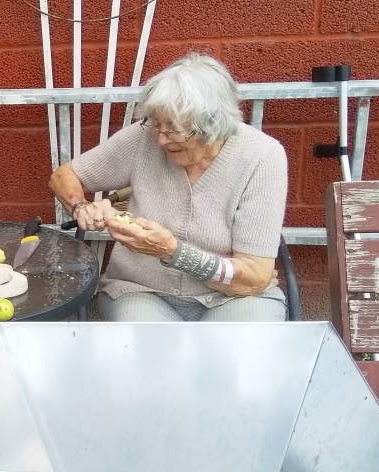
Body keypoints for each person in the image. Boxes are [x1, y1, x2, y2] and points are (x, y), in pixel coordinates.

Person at [49, 52, 289, 322]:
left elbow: (254, 277)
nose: (161, 139)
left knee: (240, 351)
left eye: (174, 128)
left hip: (236, 297)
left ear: (213, 124)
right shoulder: (143, 138)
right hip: (142, 291)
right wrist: (81, 206)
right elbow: (64, 175)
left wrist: (173, 252)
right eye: (156, 124)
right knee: (150, 349)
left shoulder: (262, 157)